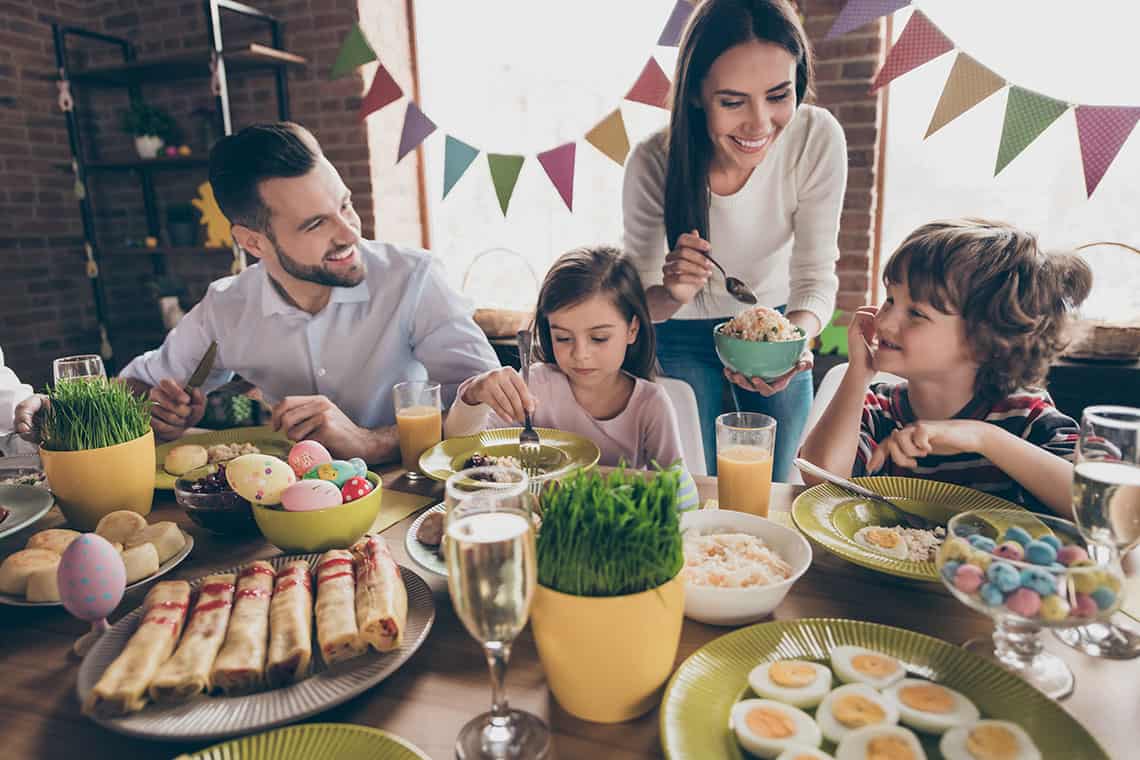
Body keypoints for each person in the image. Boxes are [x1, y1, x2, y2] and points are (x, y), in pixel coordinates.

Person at [17, 122, 500, 462]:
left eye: (345, 206)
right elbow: (140, 386)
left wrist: (371, 441)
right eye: (315, 224)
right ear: (251, 242)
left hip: (411, 497)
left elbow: (491, 412)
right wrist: (148, 412)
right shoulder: (226, 307)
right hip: (279, 514)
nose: (350, 232)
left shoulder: (414, 279)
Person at [622, 0, 846, 480]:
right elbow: (635, 307)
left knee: (785, 481)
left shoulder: (817, 136)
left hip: (777, 329)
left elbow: (814, 276)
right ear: (697, 94)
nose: (760, 123)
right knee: (694, 483)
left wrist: (794, 342)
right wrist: (670, 293)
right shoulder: (652, 162)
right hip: (678, 333)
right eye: (733, 101)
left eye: (778, 95)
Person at [800, 219, 1091, 516]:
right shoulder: (878, 410)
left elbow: (1095, 507)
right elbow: (819, 478)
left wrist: (983, 438)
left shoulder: (1026, 417)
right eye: (890, 300)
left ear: (985, 339)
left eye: (916, 313)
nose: (884, 322)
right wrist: (858, 373)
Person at [447, 247, 699, 508]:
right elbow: (461, 449)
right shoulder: (536, 386)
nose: (580, 354)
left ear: (632, 330)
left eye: (599, 338)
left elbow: (682, 496)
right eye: (563, 338)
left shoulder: (650, 405)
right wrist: (472, 396)